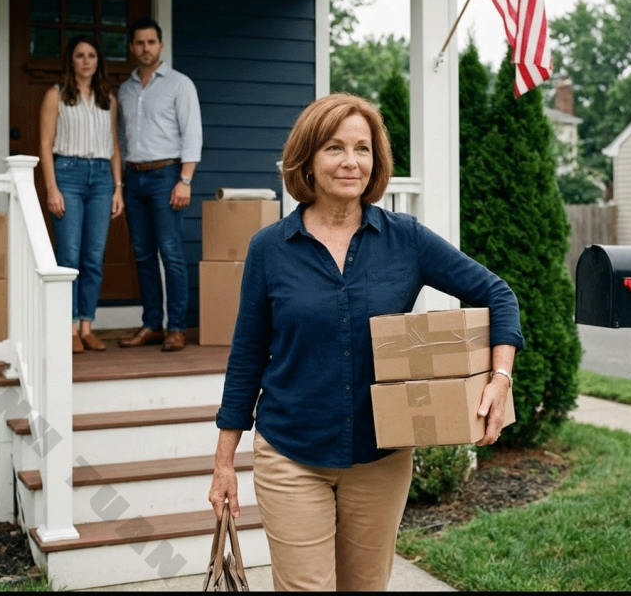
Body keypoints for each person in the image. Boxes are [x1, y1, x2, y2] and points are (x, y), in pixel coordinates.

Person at [208, 92, 524, 591]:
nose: (350, 161)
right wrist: (224, 463)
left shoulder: (406, 239)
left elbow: (498, 294)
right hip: (291, 453)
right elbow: (247, 355)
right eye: (334, 148)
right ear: (307, 160)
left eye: (362, 149)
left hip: (381, 458)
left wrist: (499, 379)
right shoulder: (269, 249)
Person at [117, 17, 202, 353]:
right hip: (133, 177)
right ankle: (152, 324)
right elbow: (121, 137)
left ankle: (176, 327)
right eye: (139, 43)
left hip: (166, 176)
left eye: (151, 42)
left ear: (161, 45)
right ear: (132, 47)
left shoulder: (180, 85)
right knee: (142, 254)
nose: (146, 48)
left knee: (171, 252)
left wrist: (185, 180)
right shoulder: (125, 90)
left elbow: (192, 133)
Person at [39, 34, 124, 354]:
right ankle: (69, 327)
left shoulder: (108, 100)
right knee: (69, 255)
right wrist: (52, 188)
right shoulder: (56, 95)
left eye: (91, 55)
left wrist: (118, 187)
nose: (86, 61)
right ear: (71, 61)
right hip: (68, 175)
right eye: (79, 55)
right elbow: (45, 145)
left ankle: (87, 326)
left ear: (98, 61)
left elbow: (114, 146)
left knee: (93, 256)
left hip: (101, 179)